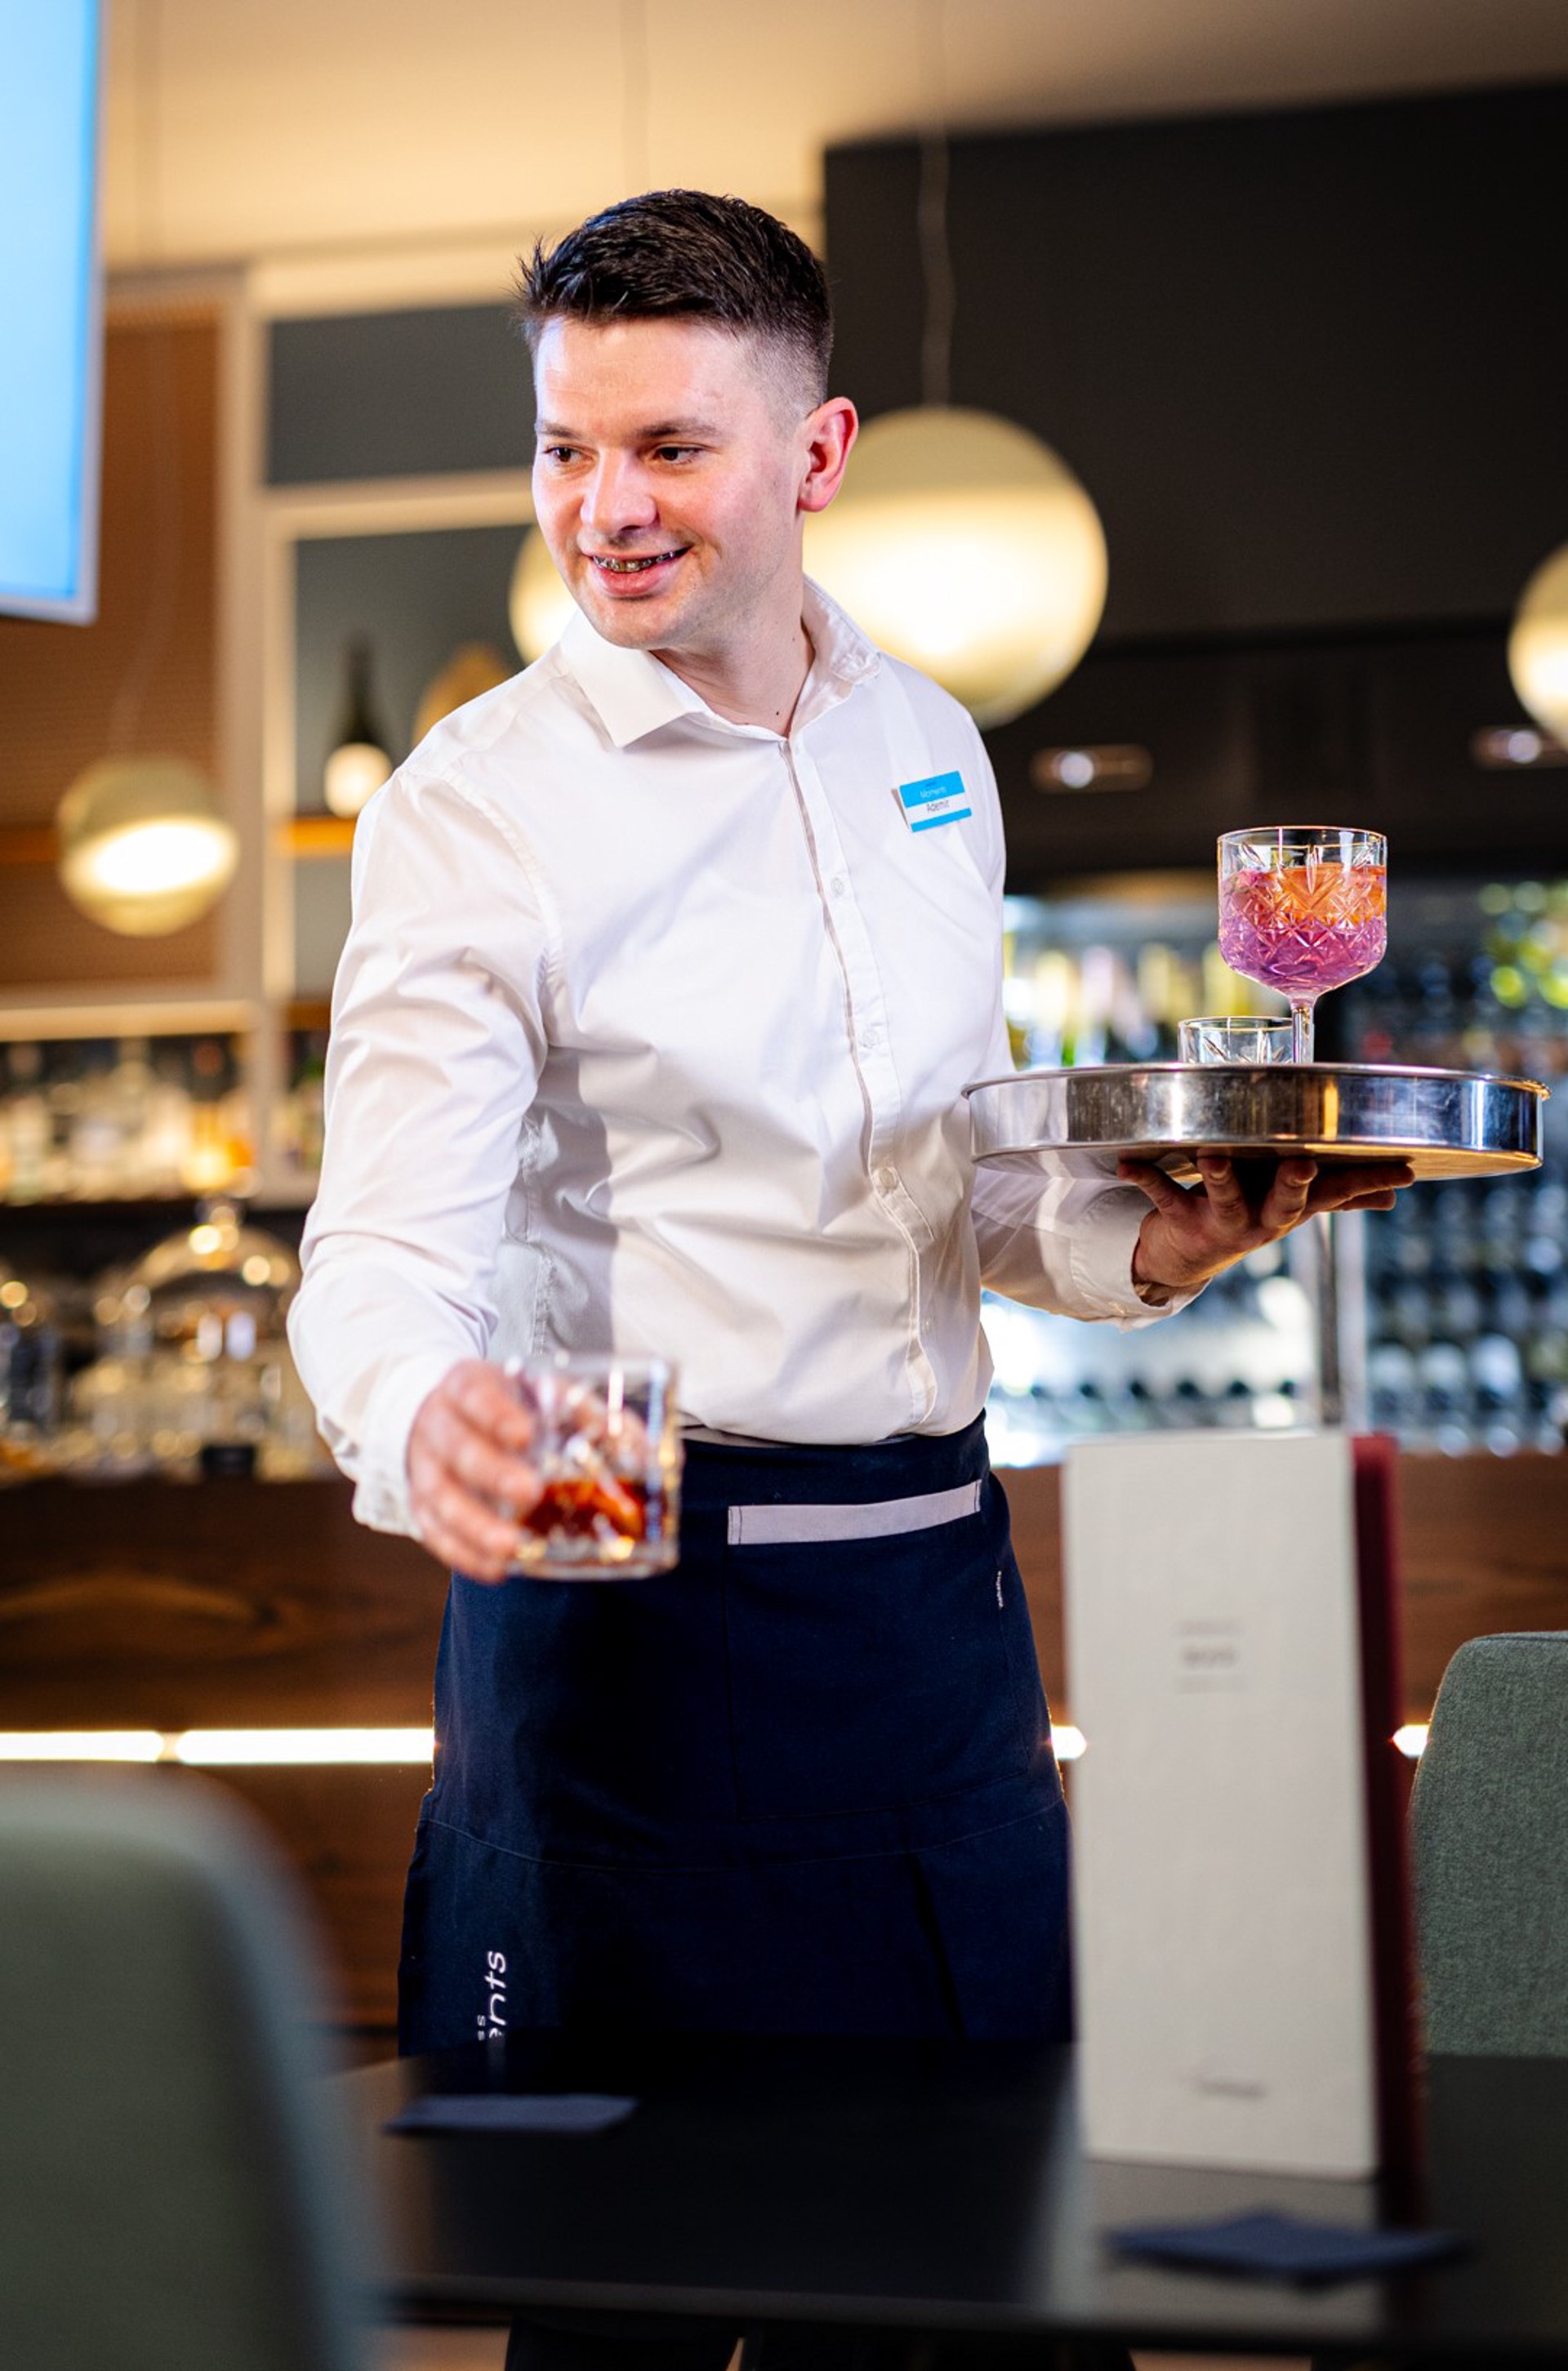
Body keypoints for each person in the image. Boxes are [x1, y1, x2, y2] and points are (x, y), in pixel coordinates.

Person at [287, 189, 1408, 2371]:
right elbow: (384, 1253)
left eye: (669, 450)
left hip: (936, 1631)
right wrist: (426, 1415)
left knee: (985, 2277)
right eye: (563, 446)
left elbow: (944, 1174)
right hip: (631, 1618)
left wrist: (1134, 1240)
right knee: (619, 2300)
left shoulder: (929, 752)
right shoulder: (477, 808)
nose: (602, 510)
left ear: (818, 454)